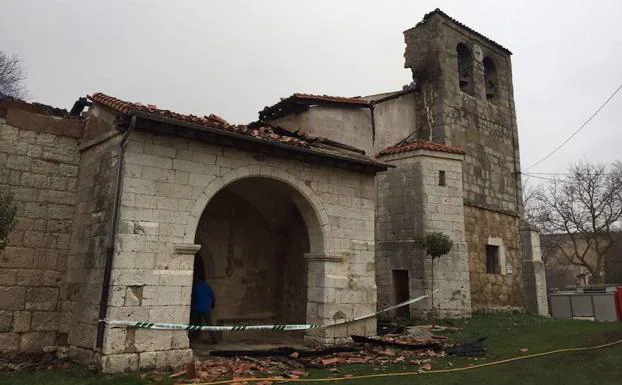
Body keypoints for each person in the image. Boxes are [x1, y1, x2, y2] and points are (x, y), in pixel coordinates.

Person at [190, 274, 217, 344]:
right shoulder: (207, 287)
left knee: (194, 324)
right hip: (206, 309)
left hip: (196, 308)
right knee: (209, 324)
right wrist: (213, 305)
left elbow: (192, 296)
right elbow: (213, 297)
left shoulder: (196, 287)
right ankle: (214, 339)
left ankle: (189, 338)